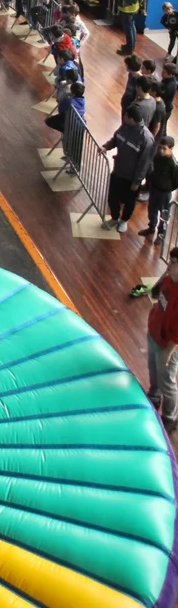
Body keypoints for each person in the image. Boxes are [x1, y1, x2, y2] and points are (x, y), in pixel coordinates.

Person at [101, 104, 156, 233]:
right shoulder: (124, 127)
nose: (123, 117)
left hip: (131, 178)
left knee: (129, 201)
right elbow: (116, 139)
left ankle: (124, 220)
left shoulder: (146, 138)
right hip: (118, 171)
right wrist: (106, 146)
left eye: (126, 116)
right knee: (112, 197)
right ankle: (114, 218)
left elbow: (144, 163)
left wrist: (137, 181)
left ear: (131, 119)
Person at [144, 246, 178, 430]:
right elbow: (156, 295)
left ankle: (169, 417)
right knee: (153, 370)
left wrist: (168, 353)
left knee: (167, 381)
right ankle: (154, 395)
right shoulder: (168, 280)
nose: (168, 265)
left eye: (173, 263)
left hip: (167, 346)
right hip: (155, 335)